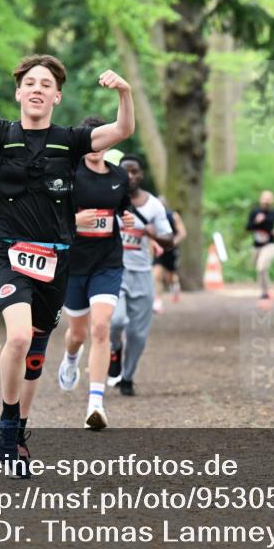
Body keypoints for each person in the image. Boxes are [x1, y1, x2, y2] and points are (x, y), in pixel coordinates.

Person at [0, 52, 134, 471]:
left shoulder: (69, 140)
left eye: (46, 85)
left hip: (56, 258)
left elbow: (122, 129)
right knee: (16, 338)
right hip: (8, 253)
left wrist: (124, 91)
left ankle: (19, 429)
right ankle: (8, 422)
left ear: (57, 97)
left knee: (34, 355)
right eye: (30, 83)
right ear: (18, 93)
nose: (37, 89)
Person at [56, 116, 135, 430]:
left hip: (107, 262)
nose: (96, 145)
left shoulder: (118, 176)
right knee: (78, 334)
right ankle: (71, 358)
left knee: (101, 327)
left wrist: (125, 220)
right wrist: (74, 222)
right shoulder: (68, 175)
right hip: (74, 264)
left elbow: (122, 209)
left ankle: (96, 404)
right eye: (90, 139)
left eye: (102, 139)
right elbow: (49, 216)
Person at [107, 155, 173, 396]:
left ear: (142, 174)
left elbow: (169, 241)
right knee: (116, 321)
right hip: (113, 270)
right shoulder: (109, 198)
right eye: (126, 172)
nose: (131, 176)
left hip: (143, 274)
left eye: (135, 172)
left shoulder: (154, 206)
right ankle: (114, 349)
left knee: (138, 333)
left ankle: (127, 377)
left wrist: (149, 232)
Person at [246, 190, 274, 300]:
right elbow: (248, 227)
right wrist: (256, 222)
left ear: (272, 200)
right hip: (257, 246)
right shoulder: (255, 212)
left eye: (269, 199)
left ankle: (265, 293)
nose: (266, 201)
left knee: (261, 266)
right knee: (260, 268)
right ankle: (266, 290)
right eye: (264, 198)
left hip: (270, 245)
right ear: (260, 199)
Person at [152, 195, 186, 313]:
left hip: (171, 250)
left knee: (170, 277)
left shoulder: (173, 215)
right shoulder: (152, 217)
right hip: (159, 250)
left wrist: (172, 243)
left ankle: (175, 286)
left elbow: (182, 232)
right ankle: (157, 302)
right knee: (156, 275)